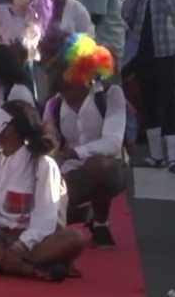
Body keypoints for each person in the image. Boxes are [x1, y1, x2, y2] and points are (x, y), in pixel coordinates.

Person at [0, 100, 87, 281]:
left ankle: (0, 261)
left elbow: (45, 218)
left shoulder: (42, 165)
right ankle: (19, 266)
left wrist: (22, 245)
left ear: (9, 128)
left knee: (75, 238)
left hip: (33, 241)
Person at [43, 34, 129, 249]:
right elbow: (50, 145)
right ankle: (85, 214)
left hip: (110, 168)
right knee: (40, 206)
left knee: (98, 166)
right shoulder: (53, 105)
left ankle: (101, 222)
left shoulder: (111, 96)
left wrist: (73, 153)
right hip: (70, 172)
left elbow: (113, 143)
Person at [123, 0, 175, 172]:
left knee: (170, 102)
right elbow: (126, 13)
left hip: (167, 51)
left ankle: (173, 157)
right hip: (143, 50)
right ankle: (156, 154)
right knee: (148, 101)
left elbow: (173, 7)